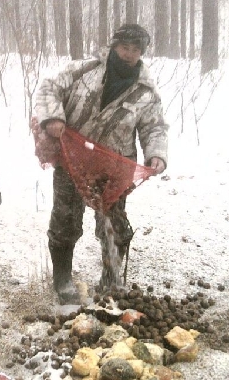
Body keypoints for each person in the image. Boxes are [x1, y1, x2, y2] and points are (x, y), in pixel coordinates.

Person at [34, 24, 168, 304]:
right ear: (114, 46)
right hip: (73, 158)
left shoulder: (145, 90)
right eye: (124, 47)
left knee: (113, 225)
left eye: (136, 49)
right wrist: (53, 117)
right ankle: (63, 280)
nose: (129, 54)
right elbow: (49, 87)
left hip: (114, 165)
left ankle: (111, 281)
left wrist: (156, 153)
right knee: (65, 220)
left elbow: (154, 126)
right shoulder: (85, 70)